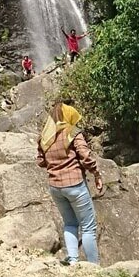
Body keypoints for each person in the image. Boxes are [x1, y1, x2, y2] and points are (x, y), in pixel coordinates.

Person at [37, 102, 103, 265]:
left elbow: (40, 161)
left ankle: (73, 260)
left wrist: (55, 163)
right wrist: (96, 174)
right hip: (75, 185)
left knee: (70, 223)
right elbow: (85, 156)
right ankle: (93, 266)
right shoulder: (72, 132)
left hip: (55, 187)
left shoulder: (45, 136)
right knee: (88, 227)